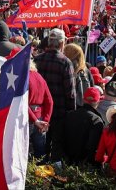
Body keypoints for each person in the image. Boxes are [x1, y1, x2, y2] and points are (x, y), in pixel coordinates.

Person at [34, 28, 76, 161]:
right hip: (59, 112)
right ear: (62, 43)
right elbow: (70, 92)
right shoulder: (65, 62)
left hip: (40, 112)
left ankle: (39, 172)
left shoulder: (37, 60)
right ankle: (55, 175)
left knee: (41, 146)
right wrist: (71, 112)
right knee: (57, 145)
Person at [63, 87, 104, 166]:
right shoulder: (96, 120)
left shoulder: (70, 115)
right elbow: (93, 147)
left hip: (67, 161)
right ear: (98, 102)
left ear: (83, 100)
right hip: (85, 166)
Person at [95, 102, 116, 175]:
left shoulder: (106, 132)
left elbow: (99, 157)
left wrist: (106, 159)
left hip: (113, 171)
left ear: (112, 117)